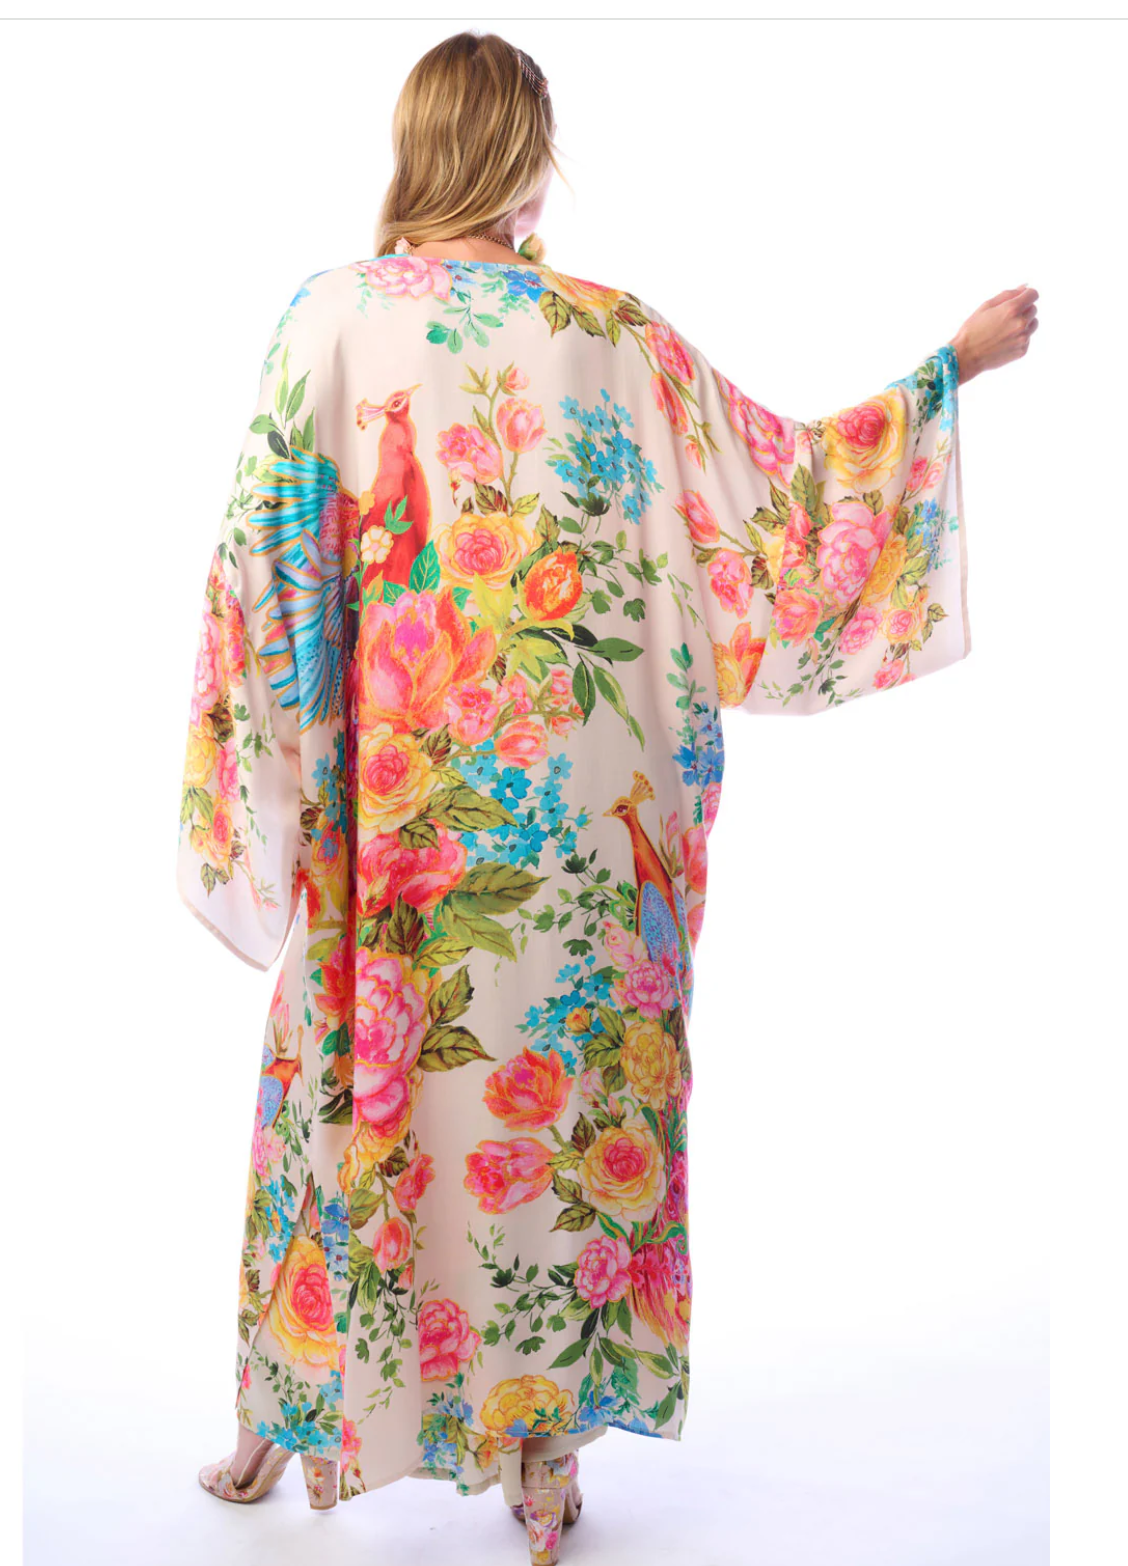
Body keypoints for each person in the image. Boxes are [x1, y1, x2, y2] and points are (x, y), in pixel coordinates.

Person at [176, 28, 1038, 1566]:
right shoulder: (608, 331)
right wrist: (947, 371)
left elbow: (265, 569)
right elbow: (777, 492)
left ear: (417, 144)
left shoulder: (331, 315)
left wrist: (292, 780)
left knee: (349, 1079)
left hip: (407, 798)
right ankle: (541, 1459)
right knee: (561, 1103)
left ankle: (280, 1410)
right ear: (525, 156)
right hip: (582, 815)